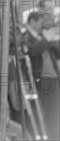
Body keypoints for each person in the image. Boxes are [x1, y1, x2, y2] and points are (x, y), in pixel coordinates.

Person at [21, 11, 60, 140]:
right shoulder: (26, 36)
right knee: (46, 111)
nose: (42, 25)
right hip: (42, 79)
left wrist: (53, 39)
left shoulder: (42, 35)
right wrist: (46, 39)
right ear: (32, 21)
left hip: (54, 77)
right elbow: (31, 51)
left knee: (55, 110)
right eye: (40, 22)